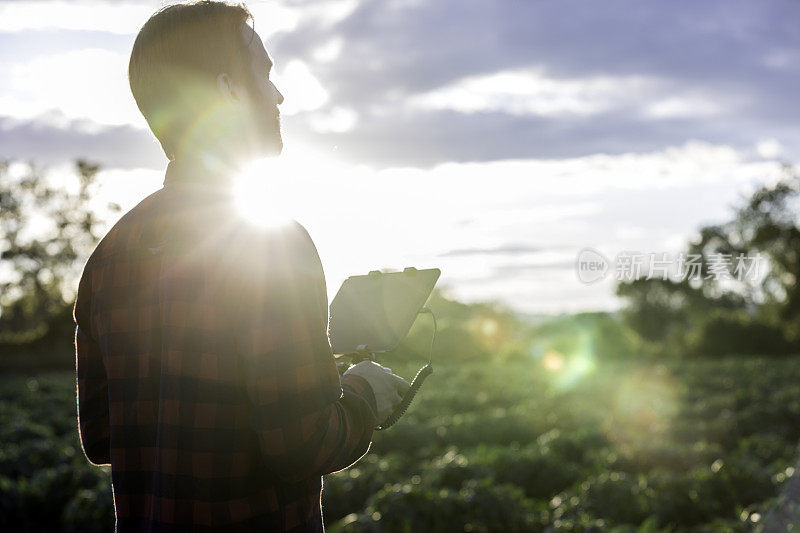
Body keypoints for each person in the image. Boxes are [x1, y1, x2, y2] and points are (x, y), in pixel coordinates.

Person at [73, 1, 410, 531]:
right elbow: (302, 445)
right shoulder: (270, 241)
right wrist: (364, 394)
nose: (278, 94)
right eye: (266, 74)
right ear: (229, 90)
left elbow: (99, 437)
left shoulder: (109, 255)